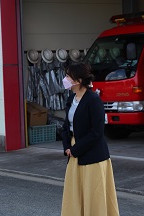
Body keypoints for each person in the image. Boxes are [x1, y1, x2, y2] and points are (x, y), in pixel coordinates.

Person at [60, 63, 119, 216]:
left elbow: (97, 132)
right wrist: (67, 146)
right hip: (73, 153)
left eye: (68, 76)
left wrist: (75, 149)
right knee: (75, 194)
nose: (65, 79)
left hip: (92, 155)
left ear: (78, 80)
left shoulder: (93, 100)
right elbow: (66, 126)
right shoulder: (71, 98)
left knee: (94, 196)